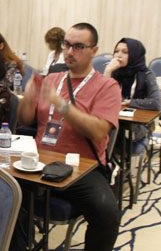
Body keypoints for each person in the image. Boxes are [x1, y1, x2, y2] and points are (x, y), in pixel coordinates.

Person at [17, 23, 121, 251]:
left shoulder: (107, 86)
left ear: (94, 50)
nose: (70, 51)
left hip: (80, 168)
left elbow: (98, 131)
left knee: (107, 212)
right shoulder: (52, 79)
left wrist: (60, 104)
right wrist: (28, 98)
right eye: (67, 44)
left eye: (78, 46)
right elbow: (24, 120)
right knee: (2, 191)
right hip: (38, 162)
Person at [104, 37, 161, 140]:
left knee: (112, 134)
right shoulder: (114, 71)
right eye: (116, 51)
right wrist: (107, 72)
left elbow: (156, 103)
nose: (118, 55)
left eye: (125, 52)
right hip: (116, 118)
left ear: (135, 55)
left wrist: (130, 102)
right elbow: (102, 98)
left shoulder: (147, 75)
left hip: (138, 124)